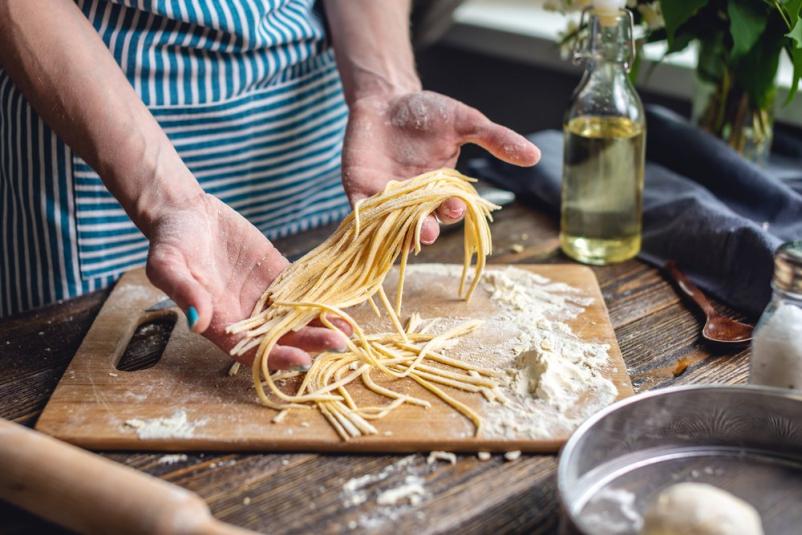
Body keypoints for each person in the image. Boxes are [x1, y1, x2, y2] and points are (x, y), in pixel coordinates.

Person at [0, 1, 540, 369]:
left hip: (313, 116)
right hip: (103, 125)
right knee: (77, 363)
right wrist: (168, 199)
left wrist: (384, 90)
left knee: (326, 313)